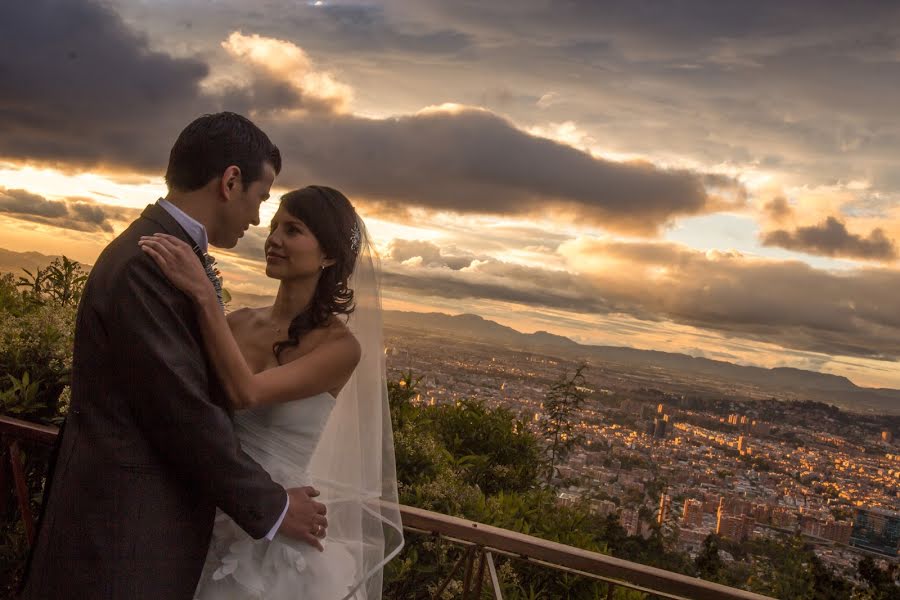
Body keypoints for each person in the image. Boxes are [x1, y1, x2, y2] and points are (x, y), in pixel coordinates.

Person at [21, 113, 328, 600]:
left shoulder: (161, 251)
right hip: (126, 532)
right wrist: (272, 507)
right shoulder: (150, 263)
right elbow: (181, 410)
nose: (256, 220)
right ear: (230, 181)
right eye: (260, 198)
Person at [138, 185, 404, 599]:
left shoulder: (340, 348)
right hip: (204, 508)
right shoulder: (239, 321)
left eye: (293, 229)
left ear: (329, 256)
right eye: (275, 225)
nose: (273, 238)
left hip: (279, 527)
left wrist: (205, 297)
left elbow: (246, 393)